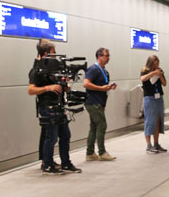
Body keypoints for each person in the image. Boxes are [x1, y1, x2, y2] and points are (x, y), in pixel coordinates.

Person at [27, 39, 81, 175]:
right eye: (53, 52)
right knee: (51, 137)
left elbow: (64, 89)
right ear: (46, 54)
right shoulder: (36, 71)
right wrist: (48, 88)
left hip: (60, 106)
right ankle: (47, 163)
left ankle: (66, 163)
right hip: (47, 107)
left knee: (65, 135)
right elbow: (31, 90)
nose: (56, 55)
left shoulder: (56, 70)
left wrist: (66, 86)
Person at [84, 47, 117, 161]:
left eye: (108, 56)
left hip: (100, 102)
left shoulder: (104, 71)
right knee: (102, 125)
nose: (108, 58)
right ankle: (102, 152)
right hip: (93, 102)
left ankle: (90, 153)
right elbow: (86, 84)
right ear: (99, 56)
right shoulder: (93, 69)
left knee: (94, 127)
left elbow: (102, 87)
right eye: (106, 56)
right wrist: (101, 88)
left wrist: (108, 87)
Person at [139, 55, 168, 153]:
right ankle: (148, 145)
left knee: (158, 121)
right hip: (149, 98)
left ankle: (156, 143)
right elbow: (143, 79)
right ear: (150, 63)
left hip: (159, 98)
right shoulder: (145, 70)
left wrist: (160, 75)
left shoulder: (159, 70)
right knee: (150, 121)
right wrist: (153, 73)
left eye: (157, 63)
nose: (156, 65)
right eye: (154, 64)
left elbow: (164, 83)